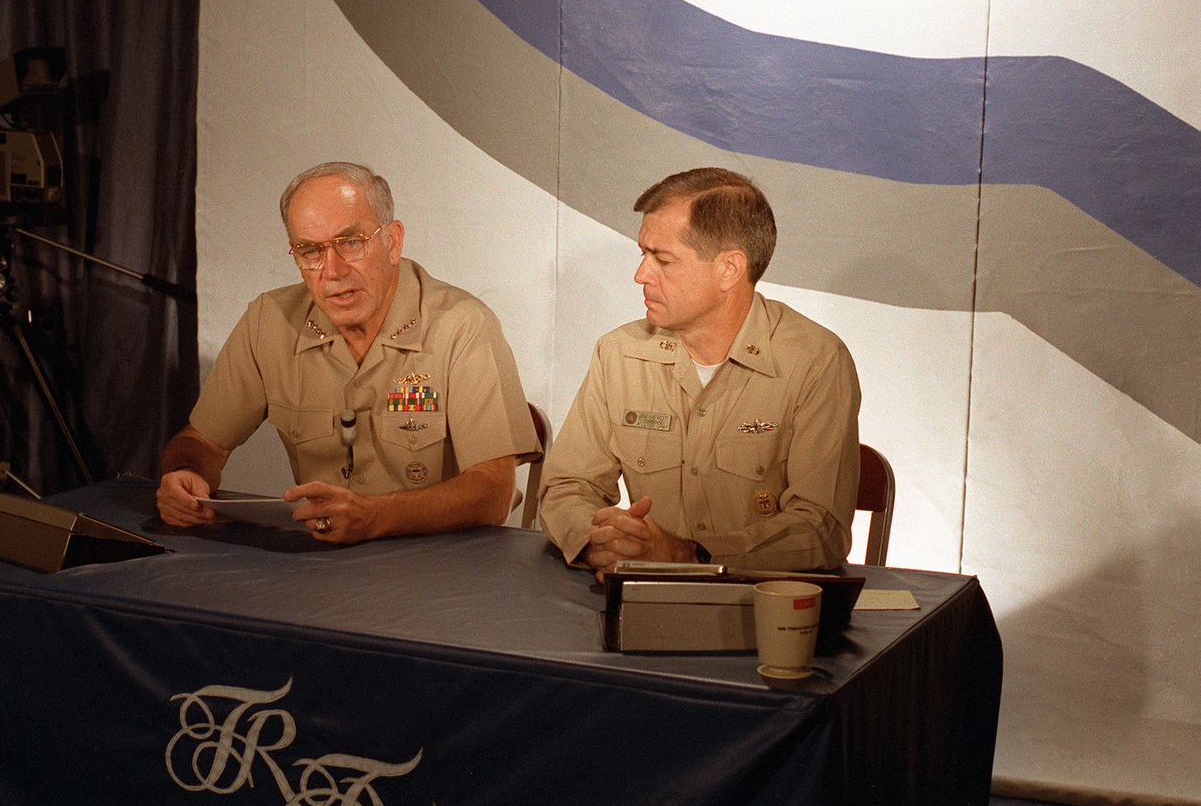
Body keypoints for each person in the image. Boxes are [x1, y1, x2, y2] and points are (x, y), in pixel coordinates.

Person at [157, 162, 541, 542]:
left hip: (445, 567)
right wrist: (186, 473)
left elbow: (493, 493)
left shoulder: (462, 325)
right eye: (310, 251)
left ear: (392, 242)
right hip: (323, 563)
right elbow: (203, 442)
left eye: (351, 243)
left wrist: (375, 518)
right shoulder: (268, 322)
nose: (333, 270)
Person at [539, 168, 860, 575]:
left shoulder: (816, 362)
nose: (641, 274)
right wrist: (598, 540)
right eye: (643, 253)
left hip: (759, 616)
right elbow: (568, 487)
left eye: (663, 259)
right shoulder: (618, 354)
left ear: (729, 269)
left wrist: (686, 555)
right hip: (634, 604)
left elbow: (819, 530)